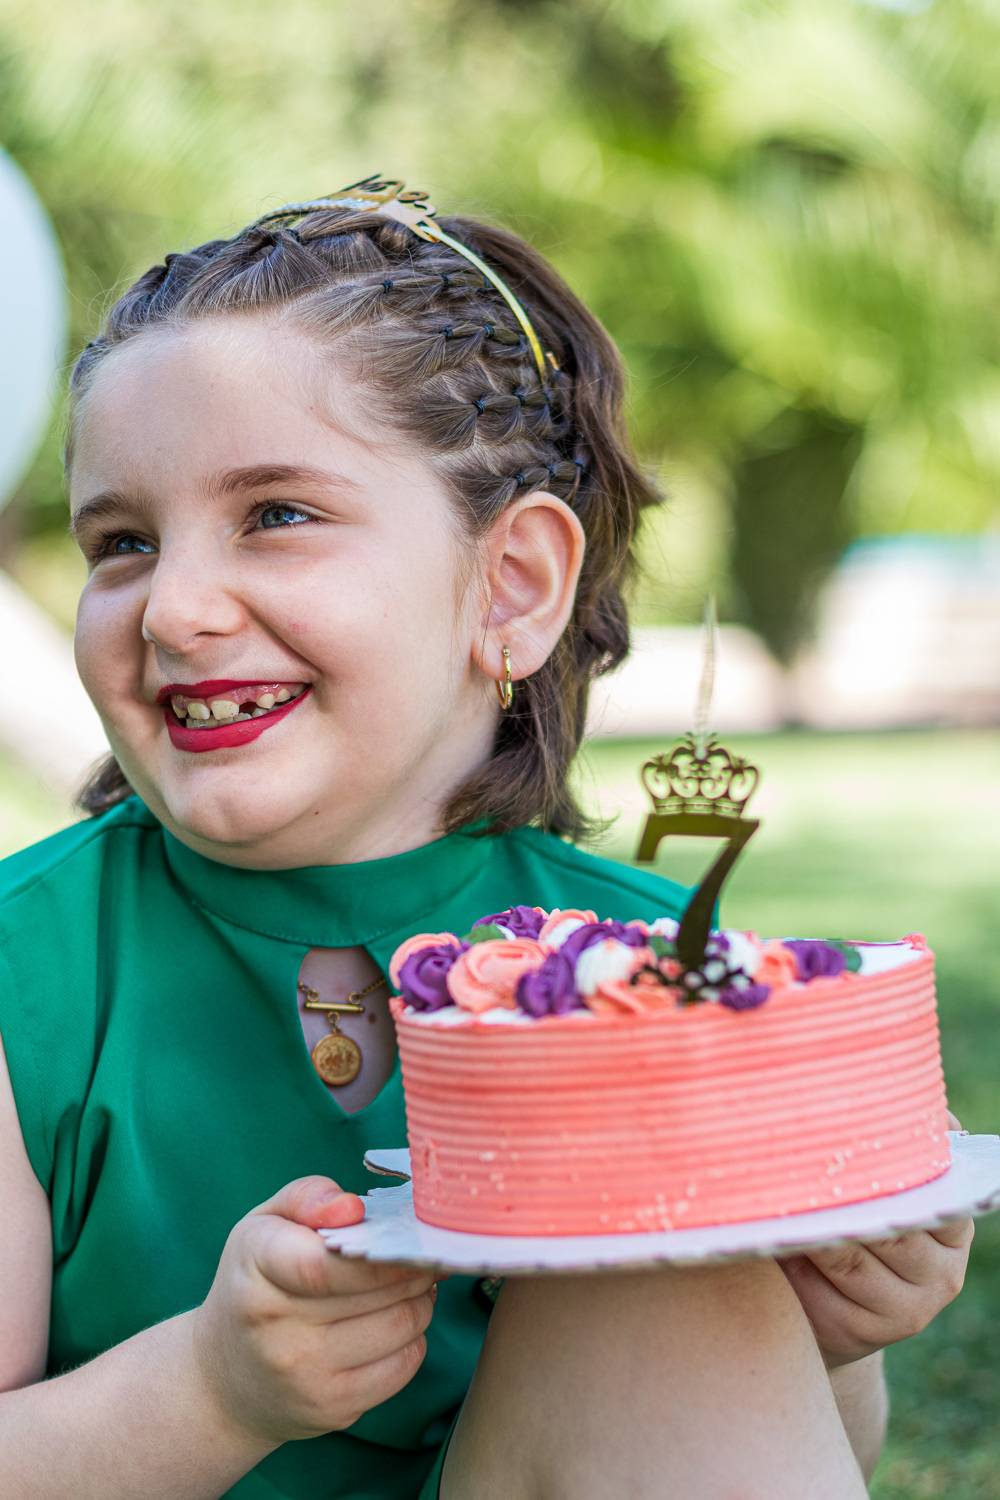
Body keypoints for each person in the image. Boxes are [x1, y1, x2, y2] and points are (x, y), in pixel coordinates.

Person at [0, 177, 972, 1499]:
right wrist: (214, 1391)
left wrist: (831, 1333)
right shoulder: (27, 974)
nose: (173, 608)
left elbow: (775, 1447)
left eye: (276, 515)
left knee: (665, 1267)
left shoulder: (652, 971)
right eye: (121, 542)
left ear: (510, 587)